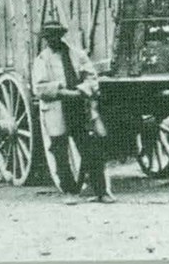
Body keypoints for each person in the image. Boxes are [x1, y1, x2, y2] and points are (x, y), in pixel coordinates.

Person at [32, 20, 114, 204]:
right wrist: (62, 91)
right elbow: (39, 88)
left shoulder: (77, 54)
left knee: (89, 149)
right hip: (56, 109)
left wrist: (83, 89)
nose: (52, 40)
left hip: (78, 107)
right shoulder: (42, 59)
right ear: (45, 39)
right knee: (60, 151)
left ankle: (101, 191)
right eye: (48, 37)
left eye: (55, 36)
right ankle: (69, 192)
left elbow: (92, 77)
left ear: (60, 36)